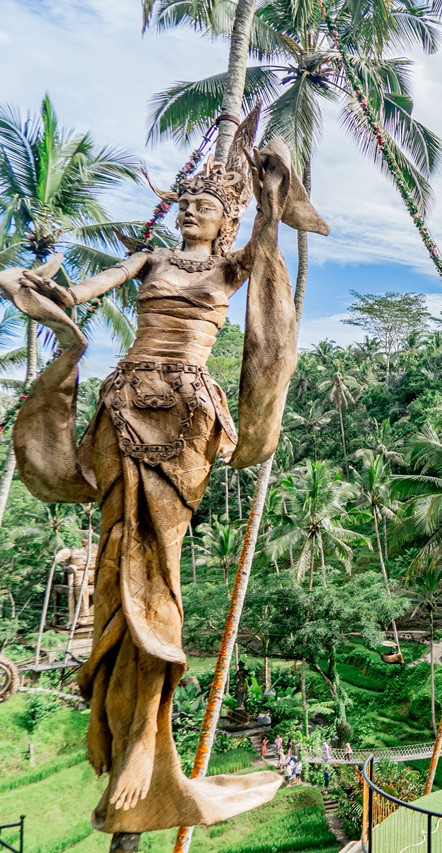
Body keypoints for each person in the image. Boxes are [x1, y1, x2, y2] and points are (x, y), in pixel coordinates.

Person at [0, 112, 328, 839]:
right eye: (185, 201)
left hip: (186, 414)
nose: (189, 210)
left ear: (224, 219)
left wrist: (270, 181)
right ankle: (122, 735)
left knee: (161, 566)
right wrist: (42, 292)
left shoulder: (230, 266)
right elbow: (85, 290)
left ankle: (148, 744)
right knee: (119, 555)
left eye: (204, 205)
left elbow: (268, 257)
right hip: (123, 405)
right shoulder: (150, 260)